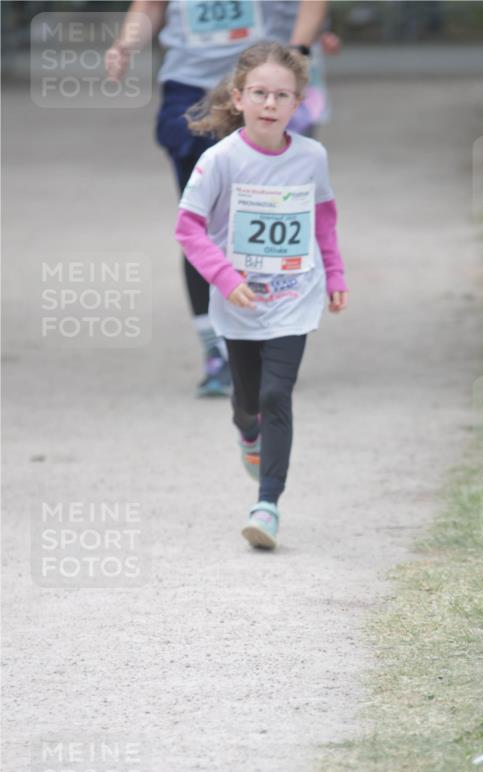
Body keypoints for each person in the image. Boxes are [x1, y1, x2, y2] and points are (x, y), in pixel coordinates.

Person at [105, 0, 328, 396]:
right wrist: (125, 44)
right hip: (190, 88)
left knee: (268, 217)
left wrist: (299, 48)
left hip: (266, 91)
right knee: (203, 225)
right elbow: (151, 6)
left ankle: (270, 337)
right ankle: (216, 352)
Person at [174, 41, 347, 549]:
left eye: (282, 95)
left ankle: (267, 505)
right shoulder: (220, 160)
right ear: (238, 98)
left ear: (299, 103)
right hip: (241, 303)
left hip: (294, 298)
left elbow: (324, 221)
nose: (270, 104)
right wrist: (226, 279)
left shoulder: (312, 157)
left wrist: (335, 275)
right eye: (259, 93)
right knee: (248, 403)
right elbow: (188, 229)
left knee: (276, 396)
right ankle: (247, 433)